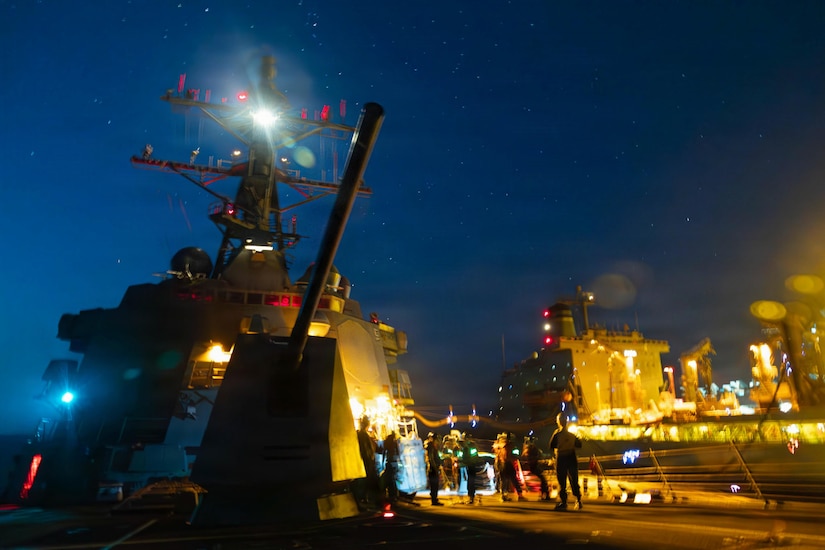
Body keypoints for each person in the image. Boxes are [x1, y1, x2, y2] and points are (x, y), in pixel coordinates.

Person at [549, 413, 582, 510]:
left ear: (558, 422)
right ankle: (578, 500)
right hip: (571, 456)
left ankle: (564, 502)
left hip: (561, 457)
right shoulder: (572, 434)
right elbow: (579, 444)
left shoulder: (557, 434)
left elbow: (551, 445)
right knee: (574, 479)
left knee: (562, 481)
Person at [355, 416, 379, 509]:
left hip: (366, 460)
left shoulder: (363, 434)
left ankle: (364, 497)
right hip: (365, 460)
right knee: (365, 480)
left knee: (366, 480)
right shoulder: (362, 435)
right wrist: (370, 457)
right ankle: (363, 497)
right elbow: (366, 449)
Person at [522, 436, 550, 501]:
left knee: (543, 479)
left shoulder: (527, 449)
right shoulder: (531, 449)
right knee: (543, 479)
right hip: (533, 466)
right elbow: (536, 456)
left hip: (533, 465)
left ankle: (544, 494)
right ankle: (545, 494)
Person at [459, 434, 481, 504]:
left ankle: (471, 497)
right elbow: (462, 456)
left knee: (471, 482)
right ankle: (470, 496)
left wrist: (466, 462)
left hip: (471, 466)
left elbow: (474, 457)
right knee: (469, 482)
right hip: (466, 466)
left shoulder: (471, 446)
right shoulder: (464, 447)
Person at [381, 431, 400, 504]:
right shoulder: (394, 443)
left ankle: (391, 495)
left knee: (389, 479)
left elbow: (384, 452)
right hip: (394, 462)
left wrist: (383, 462)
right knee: (393, 480)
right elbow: (398, 453)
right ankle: (394, 495)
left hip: (389, 462)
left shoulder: (387, 442)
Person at [424, 432, 444, 506]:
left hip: (434, 468)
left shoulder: (433, 447)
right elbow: (431, 458)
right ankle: (434, 500)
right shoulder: (431, 447)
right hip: (432, 469)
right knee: (434, 485)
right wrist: (435, 467)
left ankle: (434, 499)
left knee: (435, 485)